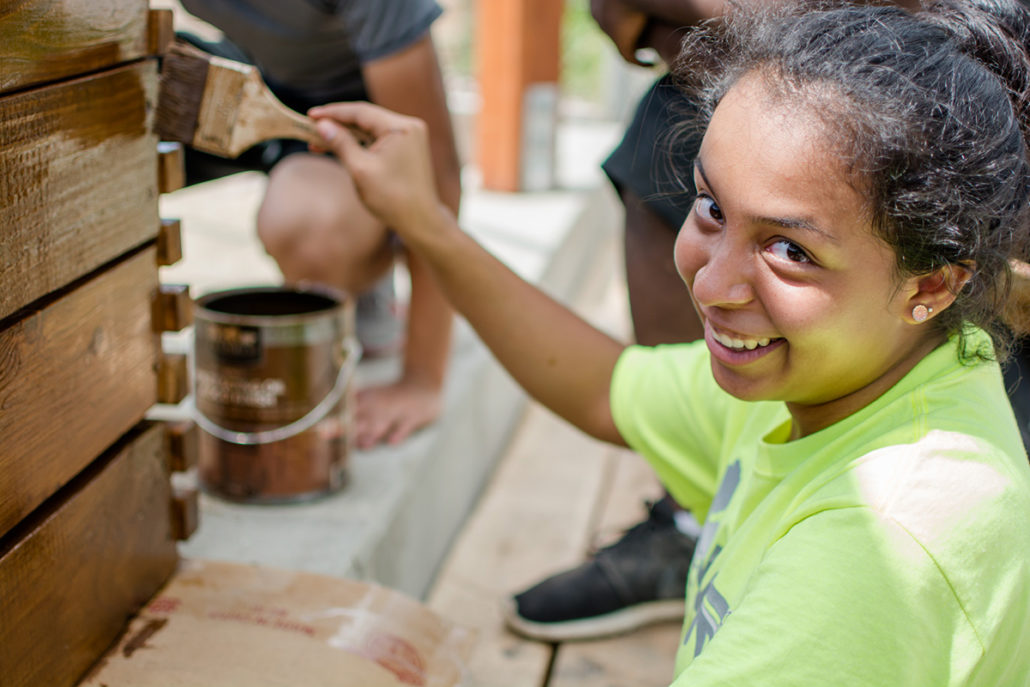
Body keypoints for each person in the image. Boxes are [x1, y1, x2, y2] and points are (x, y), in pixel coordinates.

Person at [309, 0, 1030, 682]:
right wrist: (425, 220)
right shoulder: (868, 367)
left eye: (790, 251)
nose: (713, 287)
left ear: (931, 285)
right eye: (712, 207)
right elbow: (602, 386)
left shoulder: (879, 548)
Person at [176, 0, 462, 448]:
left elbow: (435, 174)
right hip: (257, 80)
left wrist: (422, 379)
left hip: (362, 120)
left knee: (307, 224)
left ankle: (362, 277)